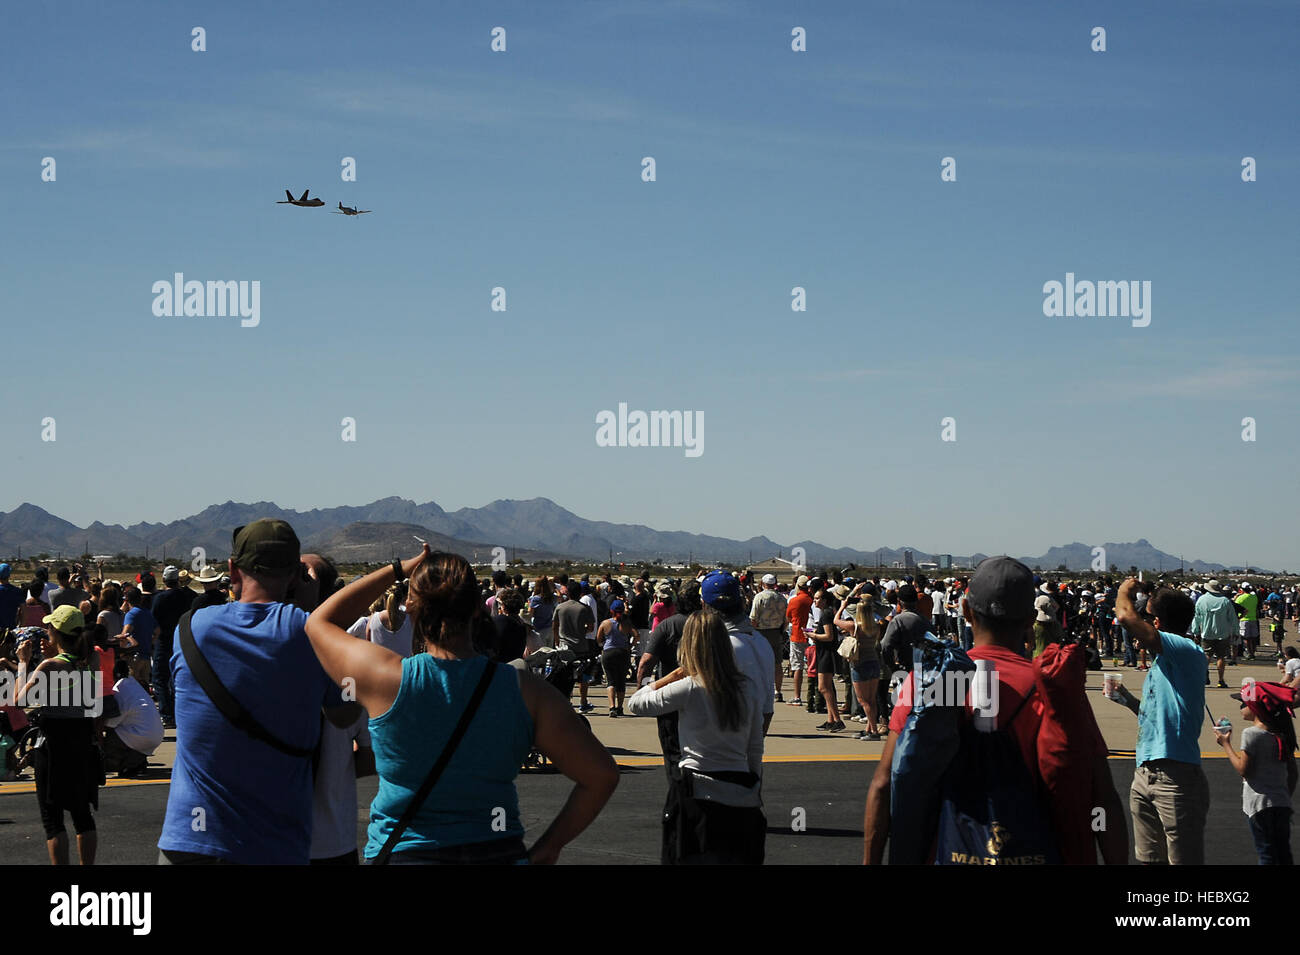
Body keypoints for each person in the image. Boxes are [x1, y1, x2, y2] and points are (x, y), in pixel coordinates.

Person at [305, 546, 618, 864]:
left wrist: (399, 570)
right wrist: (550, 846)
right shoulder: (525, 690)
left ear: (410, 606)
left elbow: (320, 623)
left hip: (407, 854)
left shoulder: (386, 680)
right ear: (478, 610)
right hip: (497, 851)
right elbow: (601, 775)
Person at [865, 556, 1127, 866]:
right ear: (1031, 620)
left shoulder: (932, 684)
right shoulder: (1054, 691)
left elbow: (884, 785)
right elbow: (1103, 796)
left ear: (965, 611)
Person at [158, 519, 358, 864]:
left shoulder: (190, 629)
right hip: (271, 844)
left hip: (187, 841)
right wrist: (317, 613)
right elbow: (347, 711)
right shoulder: (311, 633)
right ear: (296, 576)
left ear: (233, 570)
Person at [626, 607, 766, 864]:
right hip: (740, 790)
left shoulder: (690, 687)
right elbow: (755, 745)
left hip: (696, 792)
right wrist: (754, 785)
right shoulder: (747, 686)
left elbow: (635, 704)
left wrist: (669, 676)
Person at [1109, 579, 1209, 865]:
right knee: (1149, 859)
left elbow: (1125, 617)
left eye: (1148, 617)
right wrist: (1126, 698)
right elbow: (1154, 716)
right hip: (1145, 771)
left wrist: (1124, 590)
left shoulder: (1184, 648)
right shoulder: (1165, 663)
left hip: (1175, 776)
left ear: (1155, 621)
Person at [14, 606, 102, 865]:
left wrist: (22, 663)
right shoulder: (90, 660)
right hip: (82, 742)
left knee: (52, 819)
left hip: (54, 745)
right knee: (81, 814)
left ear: (56, 632)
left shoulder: (49, 666)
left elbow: (20, 700)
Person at [1214, 681, 1297, 865]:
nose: (1241, 707)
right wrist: (1283, 796)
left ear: (1254, 707)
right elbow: (1292, 773)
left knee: (1266, 853)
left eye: (1243, 703)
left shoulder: (1251, 734)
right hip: (1281, 803)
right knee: (1283, 854)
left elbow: (1244, 770)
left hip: (1259, 805)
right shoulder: (1281, 732)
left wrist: (1226, 744)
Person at [101, 658, 165, 778]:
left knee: (108, 737)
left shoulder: (120, 690)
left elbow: (110, 723)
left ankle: (122, 762)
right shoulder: (131, 683)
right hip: (153, 735)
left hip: (141, 736)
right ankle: (135, 760)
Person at [149, 566, 195, 729]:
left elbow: (153, 619)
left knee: (160, 678)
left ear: (164, 580)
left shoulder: (160, 598)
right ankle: (180, 712)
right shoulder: (188, 597)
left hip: (164, 640)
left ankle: (167, 715)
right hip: (183, 639)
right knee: (178, 677)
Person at [552, 583, 597, 712]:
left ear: (568, 593)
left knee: (565, 675)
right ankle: (583, 702)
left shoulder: (560, 607)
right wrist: (582, 631)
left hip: (564, 646)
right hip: (581, 646)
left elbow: (554, 626)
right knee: (583, 676)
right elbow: (591, 627)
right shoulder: (584, 608)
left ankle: (566, 700)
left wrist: (557, 640)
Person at [749, 574, 787, 703]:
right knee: (777, 663)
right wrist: (782, 630)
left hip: (761, 632)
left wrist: (753, 631)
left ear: (763, 583)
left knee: (758, 661)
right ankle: (778, 691)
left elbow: (753, 618)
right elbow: (786, 618)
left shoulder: (759, 597)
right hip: (776, 632)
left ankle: (760, 689)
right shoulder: (782, 598)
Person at [1192, 580, 1238, 689]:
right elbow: (1233, 618)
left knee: (1207, 655)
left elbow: (1197, 617)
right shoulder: (1225, 601)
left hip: (1207, 633)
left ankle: (1202, 676)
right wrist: (1236, 631)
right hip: (1223, 633)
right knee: (1221, 657)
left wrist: (1195, 631)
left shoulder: (1201, 600)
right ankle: (1220, 680)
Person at [596, 599, 636, 717]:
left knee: (611, 680)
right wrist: (630, 645)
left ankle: (612, 707)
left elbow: (598, 639)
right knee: (621, 681)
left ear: (611, 610)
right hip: (623, 652)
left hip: (609, 652)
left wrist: (602, 645)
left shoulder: (605, 623)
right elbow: (636, 635)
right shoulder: (627, 623)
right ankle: (620, 707)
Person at [811, 589, 844, 732]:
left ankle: (837, 719)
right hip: (824, 652)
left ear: (824, 600)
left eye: (817, 598)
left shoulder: (826, 613)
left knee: (823, 687)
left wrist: (813, 635)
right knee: (827, 687)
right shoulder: (827, 612)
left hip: (826, 653)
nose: (815, 601)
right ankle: (831, 720)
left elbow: (829, 636)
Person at [784, 575, 812, 706]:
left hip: (797, 634)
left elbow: (788, 617)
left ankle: (797, 696)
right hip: (811, 635)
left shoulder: (795, 600)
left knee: (797, 666)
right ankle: (814, 695)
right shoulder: (812, 599)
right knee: (813, 666)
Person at [0, 564, 23, 630]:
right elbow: (24, 610)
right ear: (9, 575)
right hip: (11, 628)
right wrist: (21, 626)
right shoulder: (17, 591)